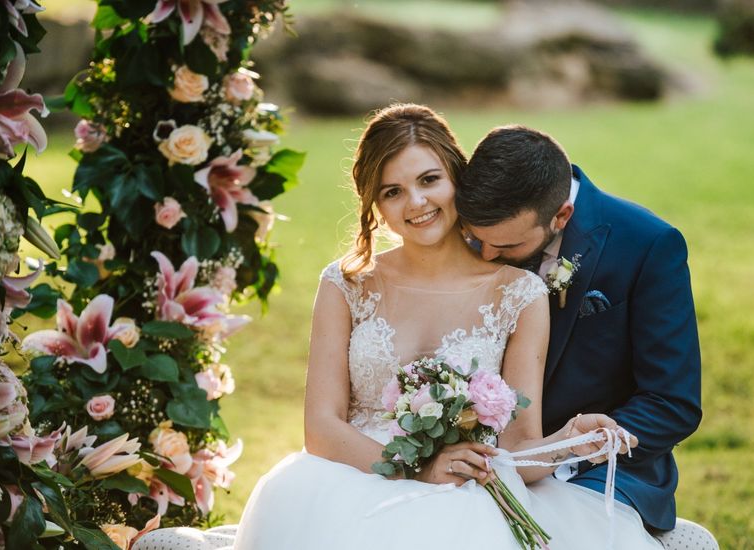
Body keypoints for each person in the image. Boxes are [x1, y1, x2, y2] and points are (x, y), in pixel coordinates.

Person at [227, 104, 662, 550]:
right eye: (392, 191)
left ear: (456, 177)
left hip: (470, 491)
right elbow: (321, 427)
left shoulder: (520, 293)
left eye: (429, 180)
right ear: (375, 204)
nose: (415, 203)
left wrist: (571, 439)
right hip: (347, 478)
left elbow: (517, 450)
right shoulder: (345, 283)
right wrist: (418, 469)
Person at [455, 126, 704, 540]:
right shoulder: (468, 237)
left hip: (596, 471)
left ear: (561, 216)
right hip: (479, 455)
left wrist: (566, 452)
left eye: (506, 246)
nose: (484, 256)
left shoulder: (648, 245)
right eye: (475, 238)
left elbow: (671, 401)